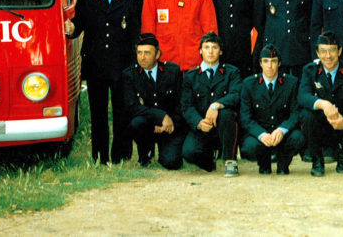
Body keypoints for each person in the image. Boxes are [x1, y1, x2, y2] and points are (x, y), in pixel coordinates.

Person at [64, 0, 138, 164]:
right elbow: (78, 27)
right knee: (98, 114)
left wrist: (134, 65)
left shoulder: (127, 0)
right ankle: (100, 156)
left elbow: (134, 33)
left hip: (120, 65)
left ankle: (120, 156)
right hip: (96, 65)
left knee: (121, 112)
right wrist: (70, 28)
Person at [298, 31, 343, 176]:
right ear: (317, 53)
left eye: (332, 50)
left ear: (340, 51)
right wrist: (323, 104)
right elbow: (303, 96)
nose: (328, 56)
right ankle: (317, 161)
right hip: (321, 128)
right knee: (306, 115)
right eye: (323, 51)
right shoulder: (310, 71)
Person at [181, 32, 242, 176]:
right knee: (188, 152)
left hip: (223, 127)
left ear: (220, 51)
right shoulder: (190, 76)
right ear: (200, 51)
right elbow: (186, 106)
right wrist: (198, 122)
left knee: (227, 113)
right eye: (206, 47)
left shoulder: (231, 72)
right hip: (202, 126)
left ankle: (230, 161)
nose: (210, 51)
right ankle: (209, 161)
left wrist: (217, 105)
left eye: (214, 47)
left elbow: (236, 94)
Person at [122, 32, 185, 169]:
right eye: (139, 53)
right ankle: (145, 153)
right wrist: (161, 116)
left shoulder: (172, 71)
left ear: (157, 54)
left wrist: (169, 122)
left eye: (147, 53)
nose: (142, 57)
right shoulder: (129, 75)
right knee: (136, 123)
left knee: (171, 163)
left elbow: (181, 103)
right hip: (148, 126)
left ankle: (167, 151)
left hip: (170, 126)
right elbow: (132, 106)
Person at [239, 44, 305, 174]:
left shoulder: (291, 83)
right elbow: (245, 117)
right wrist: (261, 134)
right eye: (266, 61)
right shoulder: (249, 84)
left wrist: (282, 129)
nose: (269, 66)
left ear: (279, 63)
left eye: (273, 61)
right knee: (248, 147)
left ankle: (283, 163)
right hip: (261, 134)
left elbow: (296, 113)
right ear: (260, 63)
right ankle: (264, 164)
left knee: (298, 138)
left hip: (282, 134)